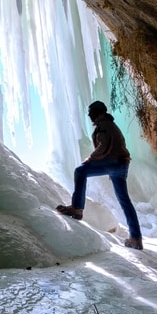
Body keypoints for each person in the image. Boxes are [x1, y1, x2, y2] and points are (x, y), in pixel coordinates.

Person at [56, 100, 144, 250]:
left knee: (80, 170)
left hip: (113, 162)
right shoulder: (110, 124)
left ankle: (77, 208)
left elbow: (104, 145)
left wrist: (90, 159)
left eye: (91, 111)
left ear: (99, 112)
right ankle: (136, 238)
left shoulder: (104, 125)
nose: (89, 114)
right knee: (125, 201)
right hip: (122, 164)